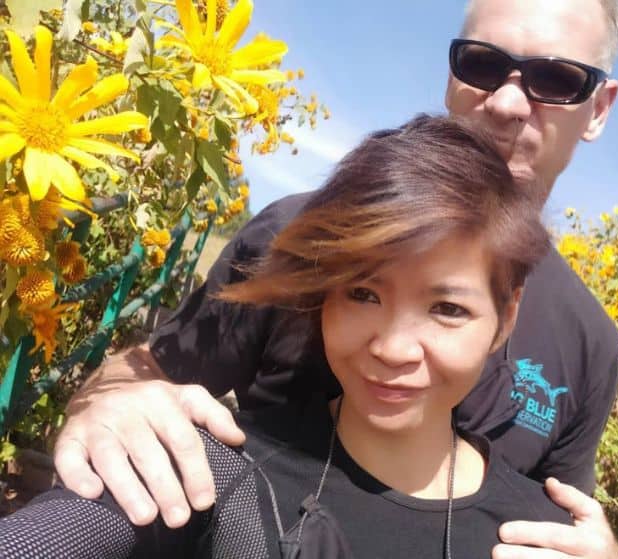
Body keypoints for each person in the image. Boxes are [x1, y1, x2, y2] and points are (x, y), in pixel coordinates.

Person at [53, 0, 618, 557]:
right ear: (452, 77)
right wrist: (108, 404)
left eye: (554, 78)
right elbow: (153, 368)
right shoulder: (299, 232)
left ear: (599, 109)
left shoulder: (589, 340)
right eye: (480, 63)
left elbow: (559, 513)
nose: (506, 102)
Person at [1, 115, 570, 558]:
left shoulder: (542, 539)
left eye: (447, 308)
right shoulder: (213, 472)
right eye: (362, 293)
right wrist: (111, 410)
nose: (393, 348)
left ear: (507, 316)